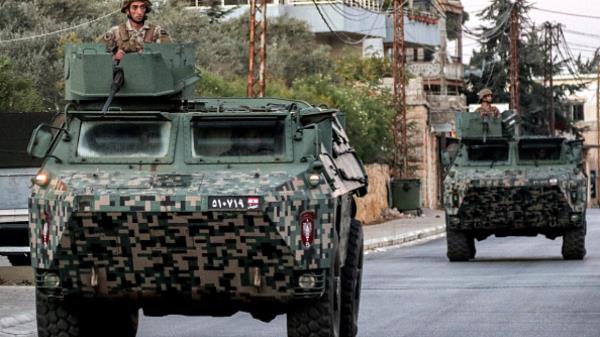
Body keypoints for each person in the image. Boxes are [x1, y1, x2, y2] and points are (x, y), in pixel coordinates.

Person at [100, 0, 171, 61]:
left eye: (142, 7)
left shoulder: (157, 31)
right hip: (123, 75)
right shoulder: (115, 32)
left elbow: (170, 56)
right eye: (135, 7)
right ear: (127, 11)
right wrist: (114, 56)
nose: (139, 12)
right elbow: (96, 56)